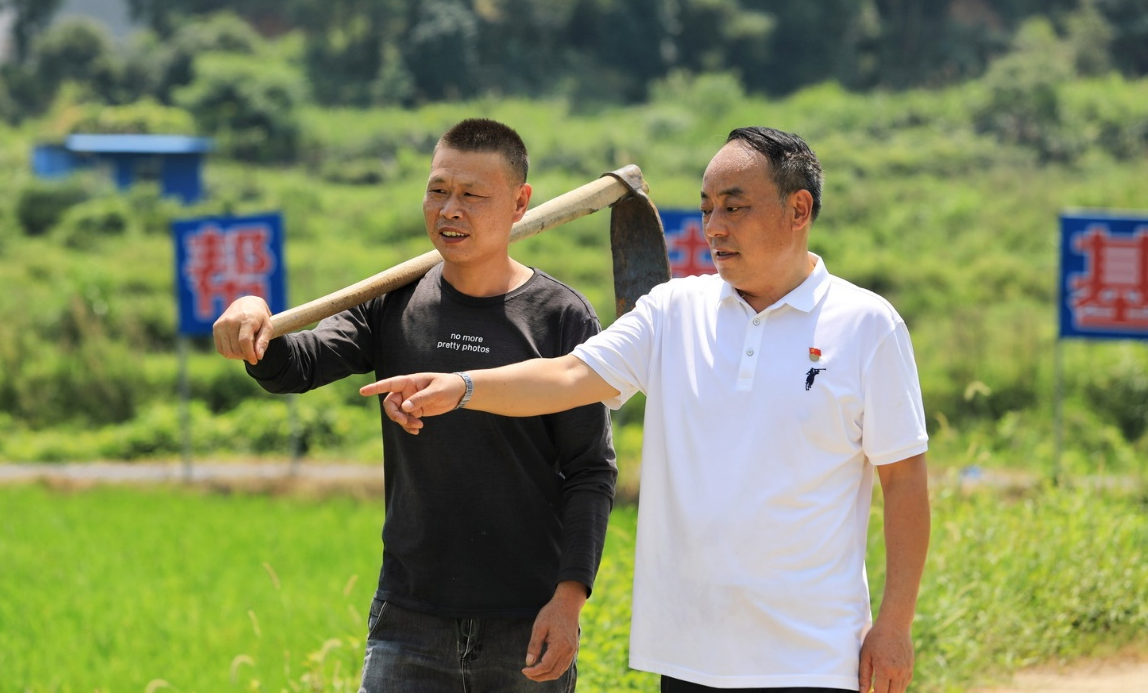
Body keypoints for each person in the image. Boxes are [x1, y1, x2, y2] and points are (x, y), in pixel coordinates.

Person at [361, 126, 931, 693]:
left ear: (799, 209)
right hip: (688, 655)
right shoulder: (673, 312)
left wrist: (894, 625)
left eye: (735, 208)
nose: (715, 228)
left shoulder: (866, 325)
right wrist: (462, 386)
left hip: (815, 657)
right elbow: (568, 374)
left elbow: (903, 480)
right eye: (707, 209)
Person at [213, 118, 617, 693]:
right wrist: (255, 316)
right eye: (437, 190)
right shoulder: (392, 301)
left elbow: (589, 470)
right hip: (410, 618)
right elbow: (297, 365)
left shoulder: (560, 317)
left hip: (525, 619)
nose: (450, 209)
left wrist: (569, 598)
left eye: (473, 195)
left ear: (521, 202)